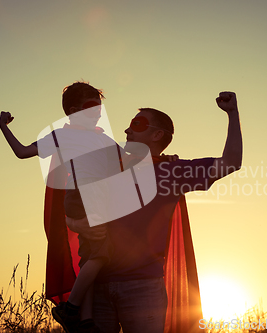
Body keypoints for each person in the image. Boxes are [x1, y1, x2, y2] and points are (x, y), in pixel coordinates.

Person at [65, 91, 243, 333]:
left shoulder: (172, 172)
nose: (127, 131)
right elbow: (69, 202)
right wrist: (76, 224)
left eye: (137, 125)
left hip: (143, 288)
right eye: (129, 125)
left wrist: (232, 114)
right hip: (95, 286)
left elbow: (231, 162)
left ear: (157, 134)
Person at [0, 81, 115, 333]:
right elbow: (22, 152)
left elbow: (127, 161)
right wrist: (3, 128)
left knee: (90, 258)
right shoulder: (62, 136)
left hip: (96, 199)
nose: (97, 111)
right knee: (101, 254)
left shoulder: (102, 138)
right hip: (80, 198)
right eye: (91, 106)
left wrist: (162, 158)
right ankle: (70, 308)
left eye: (99, 107)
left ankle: (85, 320)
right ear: (74, 110)